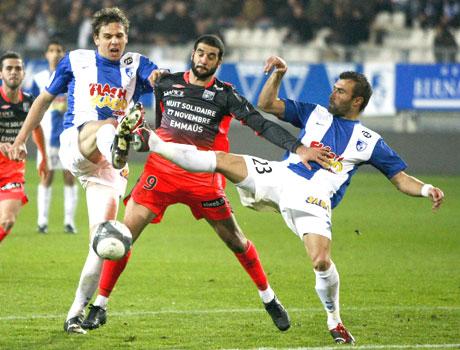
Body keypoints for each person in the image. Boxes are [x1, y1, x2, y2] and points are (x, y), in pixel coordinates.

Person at [130, 56, 444, 345]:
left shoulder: (369, 142)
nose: (332, 95)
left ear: (357, 101)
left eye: (340, 92)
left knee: (321, 261)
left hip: (314, 199)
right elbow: (267, 103)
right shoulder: (316, 113)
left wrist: (426, 188)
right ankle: (154, 141)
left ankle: (334, 320)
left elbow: (400, 178)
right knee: (222, 159)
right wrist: (278, 74)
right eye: (334, 89)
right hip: (281, 176)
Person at [81, 35, 327, 333]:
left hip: (204, 179)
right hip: (161, 174)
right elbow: (131, 84)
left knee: (236, 240)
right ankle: (100, 305)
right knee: (124, 234)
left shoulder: (226, 95)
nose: (203, 60)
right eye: (200, 54)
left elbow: (260, 124)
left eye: (211, 57)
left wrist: (299, 148)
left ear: (218, 62)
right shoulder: (165, 83)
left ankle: (269, 298)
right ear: (192, 54)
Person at [7, 7, 163, 334]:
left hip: (106, 172)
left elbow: (158, 79)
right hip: (77, 144)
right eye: (107, 36)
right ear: (96, 39)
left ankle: (75, 314)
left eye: (119, 35)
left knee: (103, 244)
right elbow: (43, 100)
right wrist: (22, 138)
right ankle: (120, 148)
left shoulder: (135, 64)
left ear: (126, 37)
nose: (114, 41)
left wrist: (157, 79)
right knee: (106, 125)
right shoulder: (76, 60)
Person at [29, 40, 79, 234]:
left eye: (59, 50)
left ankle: (69, 222)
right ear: (46, 54)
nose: (55, 54)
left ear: (64, 53)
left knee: (69, 177)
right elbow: (34, 107)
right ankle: (42, 221)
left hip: (68, 137)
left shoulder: (73, 77)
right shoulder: (39, 79)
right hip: (47, 134)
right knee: (46, 176)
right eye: (51, 50)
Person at [0, 51, 48, 244]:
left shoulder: (29, 102)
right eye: (9, 68)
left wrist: (44, 157)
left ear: (23, 73)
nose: (13, 72)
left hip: (12, 168)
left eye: (18, 68)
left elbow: (37, 128)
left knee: (7, 221)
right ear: (1, 73)